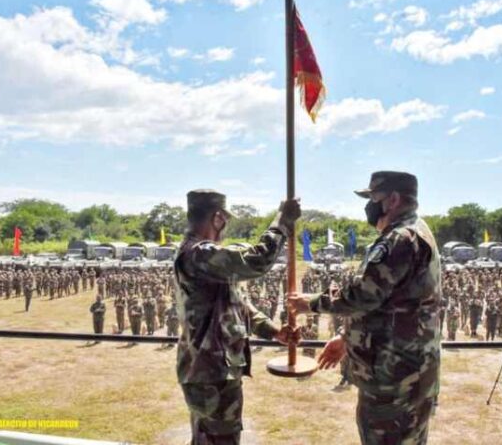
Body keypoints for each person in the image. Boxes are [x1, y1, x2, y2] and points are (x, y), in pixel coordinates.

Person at [289, 171, 442, 445]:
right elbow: (391, 306)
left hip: (393, 381)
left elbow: (364, 294)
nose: (369, 205)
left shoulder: (401, 238)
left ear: (393, 199)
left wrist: (310, 303)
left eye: (373, 197)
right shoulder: (416, 231)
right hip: (406, 373)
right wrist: (348, 338)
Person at [174, 189, 300, 445]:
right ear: (218, 217)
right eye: (225, 220)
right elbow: (257, 261)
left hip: (212, 372)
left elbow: (237, 304)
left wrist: (272, 330)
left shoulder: (204, 258)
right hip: (210, 375)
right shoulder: (198, 254)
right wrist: (282, 223)